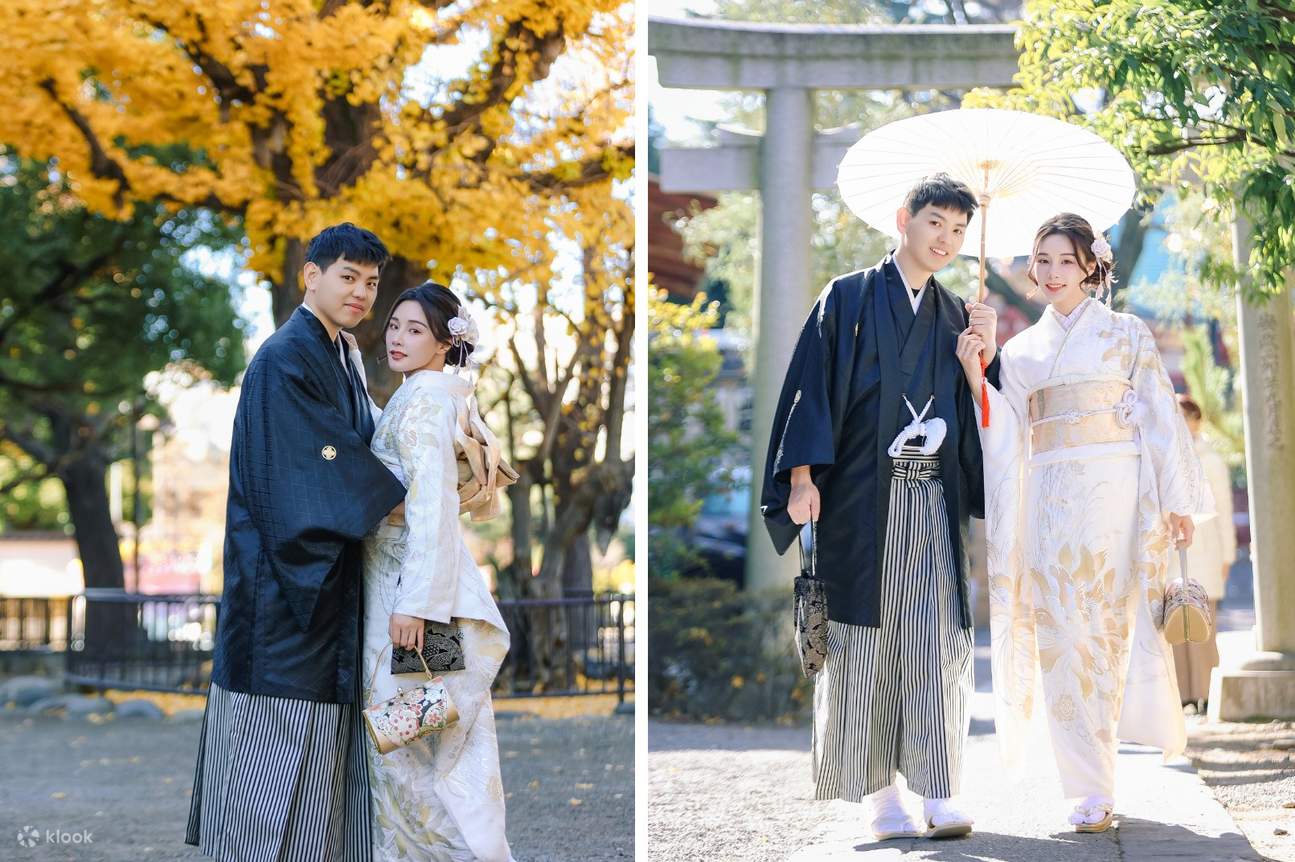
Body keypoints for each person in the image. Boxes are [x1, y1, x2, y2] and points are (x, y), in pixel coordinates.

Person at [960, 212, 1213, 834]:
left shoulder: (1126, 335)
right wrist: (977, 369)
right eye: (1042, 261)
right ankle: (1089, 787)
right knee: (1064, 639)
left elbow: (1160, 415)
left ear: (1091, 267)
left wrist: (1177, 501)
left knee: (1111, 634)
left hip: (1118, 500)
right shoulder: (1020, 351)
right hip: (1049, 506)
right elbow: (1005, 430)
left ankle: (1106, 767)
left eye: (1065, 262)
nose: (1052, 273)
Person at [761, 174, 996, 840]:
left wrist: (981, 359)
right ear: (903, 219)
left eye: (958, 230)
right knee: (862, 644)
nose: (945, 240)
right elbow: (809, 387)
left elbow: (986, 415)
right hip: (860, 497)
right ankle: (880, 797)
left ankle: (939, 790)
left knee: (933, 641)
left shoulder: (959, 315)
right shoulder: (848, 297)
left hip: (934, 497)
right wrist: (800, 477)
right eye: (934, 223)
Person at [186, 223, 408, 861]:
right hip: (285, 593)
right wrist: (410, 503)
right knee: (274, 759)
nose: (361, 293)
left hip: (323, 587)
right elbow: (319, 466)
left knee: (321, 770)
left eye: (371, 283)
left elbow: (362, 448)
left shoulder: (340, 353)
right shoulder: (285, 357)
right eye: (348, 277)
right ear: (311, 275)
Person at [358, 281, 514, 861]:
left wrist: (415, 606)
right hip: (418, 590)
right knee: (435, 739)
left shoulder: (425, 400)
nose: (397, 338)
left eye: (415, 329)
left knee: (405, 742)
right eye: (395, 326)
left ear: (445, 343)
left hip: (415, 600)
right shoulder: (425, 394)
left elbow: (431, 506)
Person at [1169, 394, 1235, 710]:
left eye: (1184, 418)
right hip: (1174, 553)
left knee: (1202, 626)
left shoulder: (1211, 460)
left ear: (1196, 421)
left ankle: (1206, 694)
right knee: (1175, 625)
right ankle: (1183, 694)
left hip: (1206, 551)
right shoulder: (1167, 457)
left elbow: (1224, 509)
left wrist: (1228, 555)